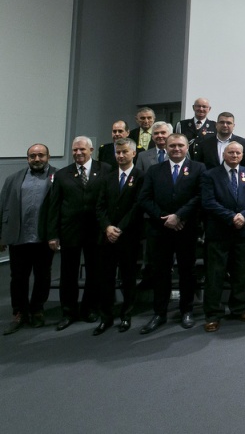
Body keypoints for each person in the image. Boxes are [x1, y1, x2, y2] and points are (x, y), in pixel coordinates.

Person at [137, 133, 205, 334]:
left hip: (187, 228)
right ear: (165, 147)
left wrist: (179, 216)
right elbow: (145, 198)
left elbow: (200, 196)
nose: (176, 149)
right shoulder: (154, 170)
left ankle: (187, 310)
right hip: (160, 230)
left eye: (180, 145)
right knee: (161, 273)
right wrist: (165, 219)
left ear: (187, 148)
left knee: (187, 272)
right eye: (172, 145)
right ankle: (159, 313)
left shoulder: (198, 168)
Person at [47, 136, 113, 330]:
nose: (78, 153)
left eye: (82, 150)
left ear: (91, 150)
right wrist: (53, 234)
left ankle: (89, 308)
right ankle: (68, 312)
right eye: (75, 150)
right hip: (70, 231)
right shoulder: (62, 174)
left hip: (96, 231)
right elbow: (54, 206)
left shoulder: (106, 170)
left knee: (94, 272)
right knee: (68, 274)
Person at [200, 141, 245, 332]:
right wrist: (231, 217)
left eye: (238, 153)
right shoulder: (210, 175)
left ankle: (238, 308)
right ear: (224, 154)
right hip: (219, 232)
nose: (234, 155)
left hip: (244, 232)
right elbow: (208, 202)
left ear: (243, 156)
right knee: (215, 275)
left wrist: (244, 215)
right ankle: (213, 314)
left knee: (241, 274)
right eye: (231, 152)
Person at [1, 144, 57, 335]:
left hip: (44, 238)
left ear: (48, 157)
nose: (37, 159)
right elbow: (3, 206)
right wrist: (2, 236)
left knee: (42, 276)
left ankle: (37, 310)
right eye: (32, 156)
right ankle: (19, 312)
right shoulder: (13, 179)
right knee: (17, 277)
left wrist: (56, 234)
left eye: (41, 155)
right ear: (27, 158)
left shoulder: (58, 177)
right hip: (19, 237)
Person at [93, 138, 143, 335]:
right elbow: (99, 206)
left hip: (128, 237)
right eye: (118, 152)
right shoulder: (107, 177)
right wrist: (107, 227)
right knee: (105, 278)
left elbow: (137, 206)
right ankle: (106, 317)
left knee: (128, 279)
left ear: (133, 154)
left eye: (124, 152)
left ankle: (126, 315)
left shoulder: (141, 176)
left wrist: (119, 228)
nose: (120, 156)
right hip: (107, 237)